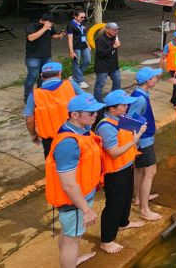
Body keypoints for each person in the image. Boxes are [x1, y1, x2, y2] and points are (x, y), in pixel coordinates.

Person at [45, 93, 104, 268]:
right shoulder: (69, 143)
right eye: (90, 113)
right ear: (74, 115)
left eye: (96, 112)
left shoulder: (80, 130)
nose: (95, 115)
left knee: (69, 234)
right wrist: (86, 210)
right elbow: (68, 183)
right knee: (73, 239)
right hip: (75, 202)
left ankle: (70, 260)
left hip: (81, 196)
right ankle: (69, 262)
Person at [96, 90, 146, 254]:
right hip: (114, 172)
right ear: (112, 108)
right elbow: (113, 152)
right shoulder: (106, 126)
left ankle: (123, 222)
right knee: (114, 205)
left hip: (126, 167)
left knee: (125, 199)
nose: (127, 107)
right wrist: (134, 141)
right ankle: (107, 240)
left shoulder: (120, 119)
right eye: (123, 105)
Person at [24, 62, 84, 158]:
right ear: (60, 73)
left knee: (53, 165)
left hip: (50, 140)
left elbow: (29, 119)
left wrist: (33, 135)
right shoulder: (70, 84)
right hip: (74, 134)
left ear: (42, 76)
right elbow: (86, 101)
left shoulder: (34, 94)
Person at [128, 67, 163, 221]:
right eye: (154, 78)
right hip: (144, 141)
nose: (156, 79)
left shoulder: (140, 94)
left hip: (142, 140)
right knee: (150, 172)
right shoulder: (140, 99)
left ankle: (139, 198)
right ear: (148, 81)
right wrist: (134, 143)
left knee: (140, 170)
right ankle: (144, 209)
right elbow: (130, 121)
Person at [24, 13, 66, 102]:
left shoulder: (49, 26)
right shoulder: (31, 26)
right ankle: (27, 97)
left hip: (46, 56)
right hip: (33, 57)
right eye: (51, 23)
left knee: (44, 77)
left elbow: (52, 34)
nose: (52, 25)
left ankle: (40, 94)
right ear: (45, 21)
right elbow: (31, 38)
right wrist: (44, 28)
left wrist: (59, 36)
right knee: (32, 77)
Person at [93, 22, 121, 102]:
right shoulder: (100, 40)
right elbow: (101, 54)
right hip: (102, 66)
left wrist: (115, 46)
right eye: (114, 30)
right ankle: (98, 101)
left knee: (117, 81)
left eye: (117, 30)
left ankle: (114, 98)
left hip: (113, 65)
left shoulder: (114, 37)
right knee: (100, 84)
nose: (116, 32)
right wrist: (113, 47)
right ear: (107, 30)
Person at [66, 9, 91, 89]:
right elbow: (70, 39)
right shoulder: (71, 25)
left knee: (87, 61)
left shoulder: (82, 22)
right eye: (81, 17)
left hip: (84, 45)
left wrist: (88, 44)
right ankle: (80, 81)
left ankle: (74, 76)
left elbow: (83, 34)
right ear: (75, 16)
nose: (83, 18)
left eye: (84, 17)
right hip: (76, 47)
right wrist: (71, 51)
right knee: (76, 63)